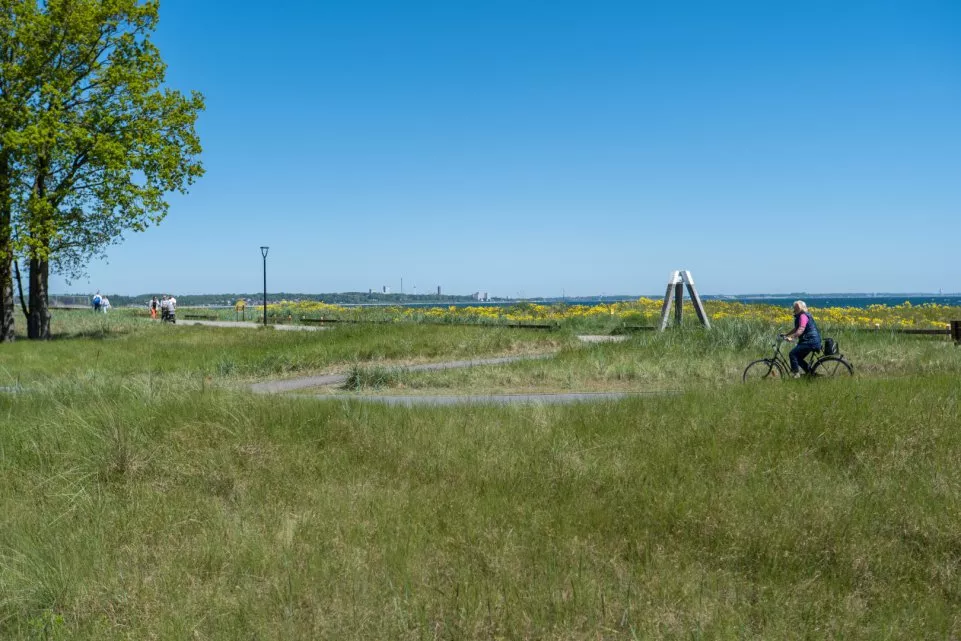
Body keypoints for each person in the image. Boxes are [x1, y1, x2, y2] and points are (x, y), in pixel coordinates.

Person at [783, 300, 822, 377]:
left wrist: (791, 337)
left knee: (792, 354)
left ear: (799, 308)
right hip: (812, 340)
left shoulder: (803, 316)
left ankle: (796, 374)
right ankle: (811, 374)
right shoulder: (803, 315)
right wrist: (787, 334)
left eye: (795, 308)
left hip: (810, 341)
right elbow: (796, 328)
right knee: (798, 358)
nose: (794, 309)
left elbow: (801, 329)